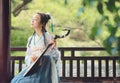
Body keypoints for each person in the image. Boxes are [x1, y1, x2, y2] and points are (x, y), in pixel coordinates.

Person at [11, 12, 61, 83]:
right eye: (32, 19)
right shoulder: (31, 39)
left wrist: (53, 47)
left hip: (45, 69)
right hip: (33, 67)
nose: (32, 21)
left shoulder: (49, 37)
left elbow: (56, 56)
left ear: (42, 23)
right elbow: (27, 55)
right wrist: (31, 59)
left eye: (35, 19)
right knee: (16, 81)